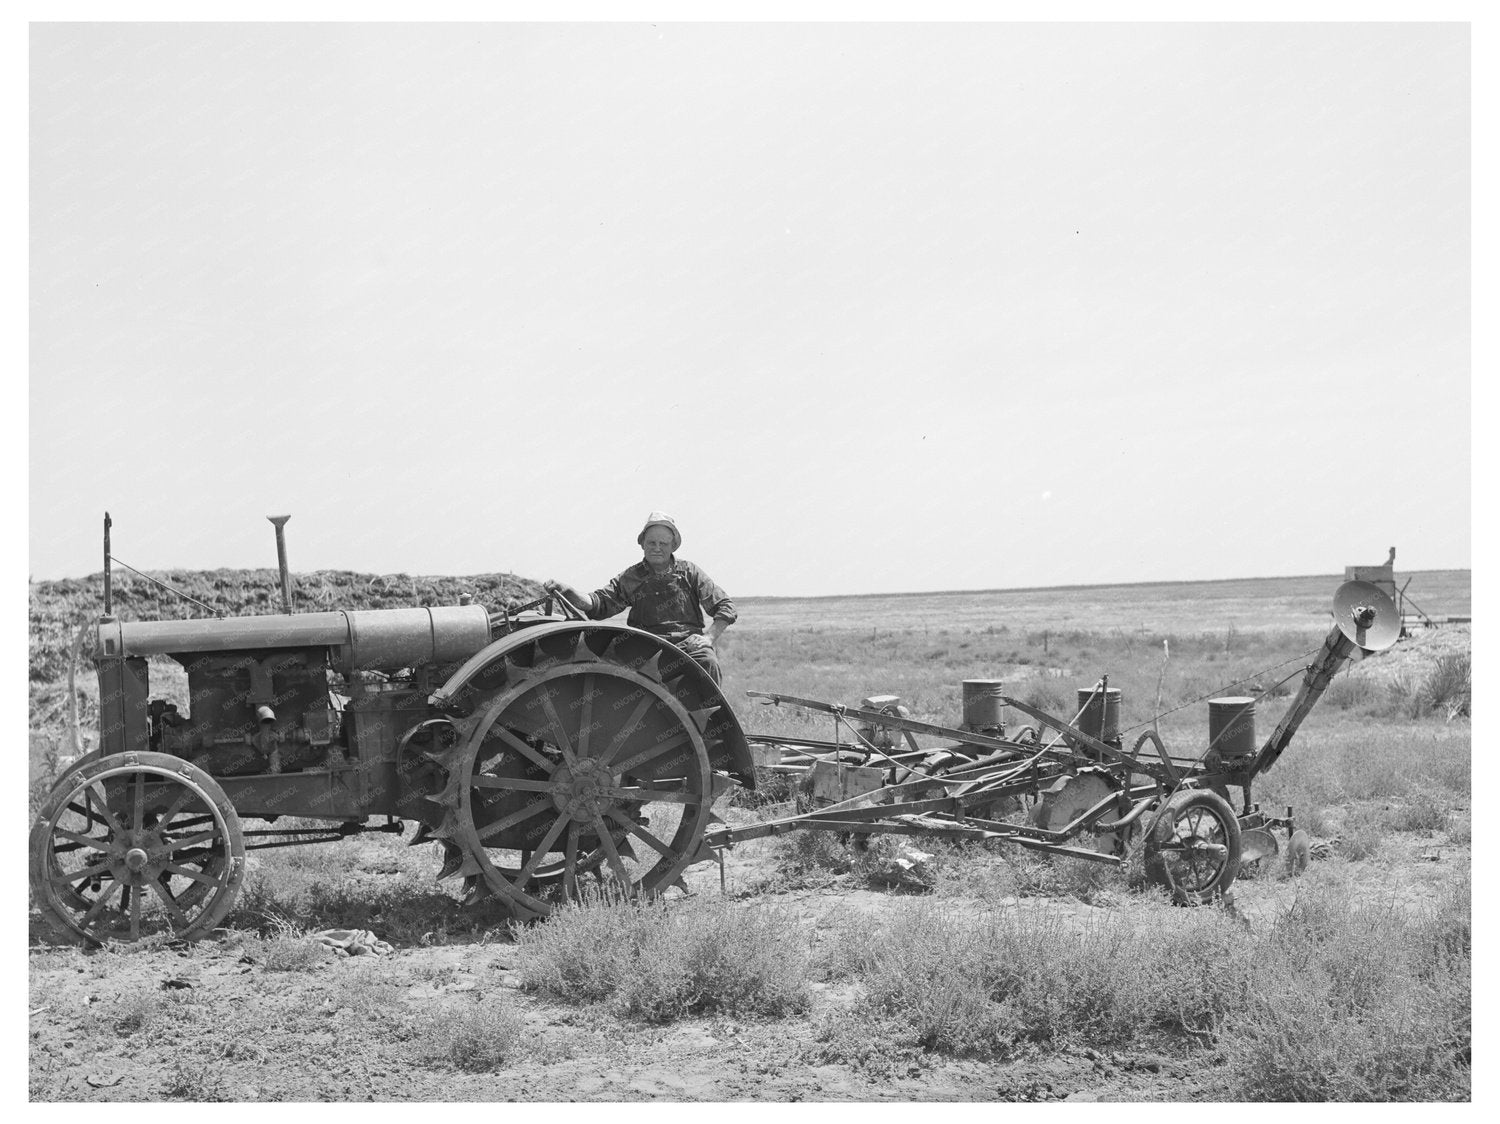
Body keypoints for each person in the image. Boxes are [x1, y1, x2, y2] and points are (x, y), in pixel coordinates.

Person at [544, 511, 736, 684]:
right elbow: (599, 604)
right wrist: (570, 592)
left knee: (707, 661)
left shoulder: (690, 572)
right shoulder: (631, 577)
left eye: (663, 544)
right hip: (645, 646)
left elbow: (725, 606)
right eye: (652, 543)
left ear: (673, 546)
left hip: (687, 645)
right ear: (643, 544)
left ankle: (713, 712)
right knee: (608, 670)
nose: (657, 548)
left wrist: (709, 637)